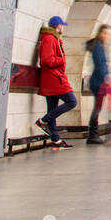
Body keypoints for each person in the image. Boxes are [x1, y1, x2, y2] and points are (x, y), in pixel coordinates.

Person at [34, 16, 76, 149]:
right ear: (58, 26)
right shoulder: (50, 39)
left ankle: (56, 141)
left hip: (52, 78)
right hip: (54, 78)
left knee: (52, 109)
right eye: (62, 25)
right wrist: (61, 60)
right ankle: (43, 121)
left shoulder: (53, 39)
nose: (63, 27)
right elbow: (46, 60)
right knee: (71, 101)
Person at [85, 24, 111, 144]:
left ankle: (93, 134)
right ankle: (92, 135)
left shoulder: (99, 45)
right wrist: (106, 79)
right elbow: (101, 64)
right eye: (105, 33)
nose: (107, 36)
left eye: (108, 34)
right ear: (100, 33)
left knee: (97, 108)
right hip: (99, 81)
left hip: (98, 80)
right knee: (97, 108)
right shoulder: (98, 46)